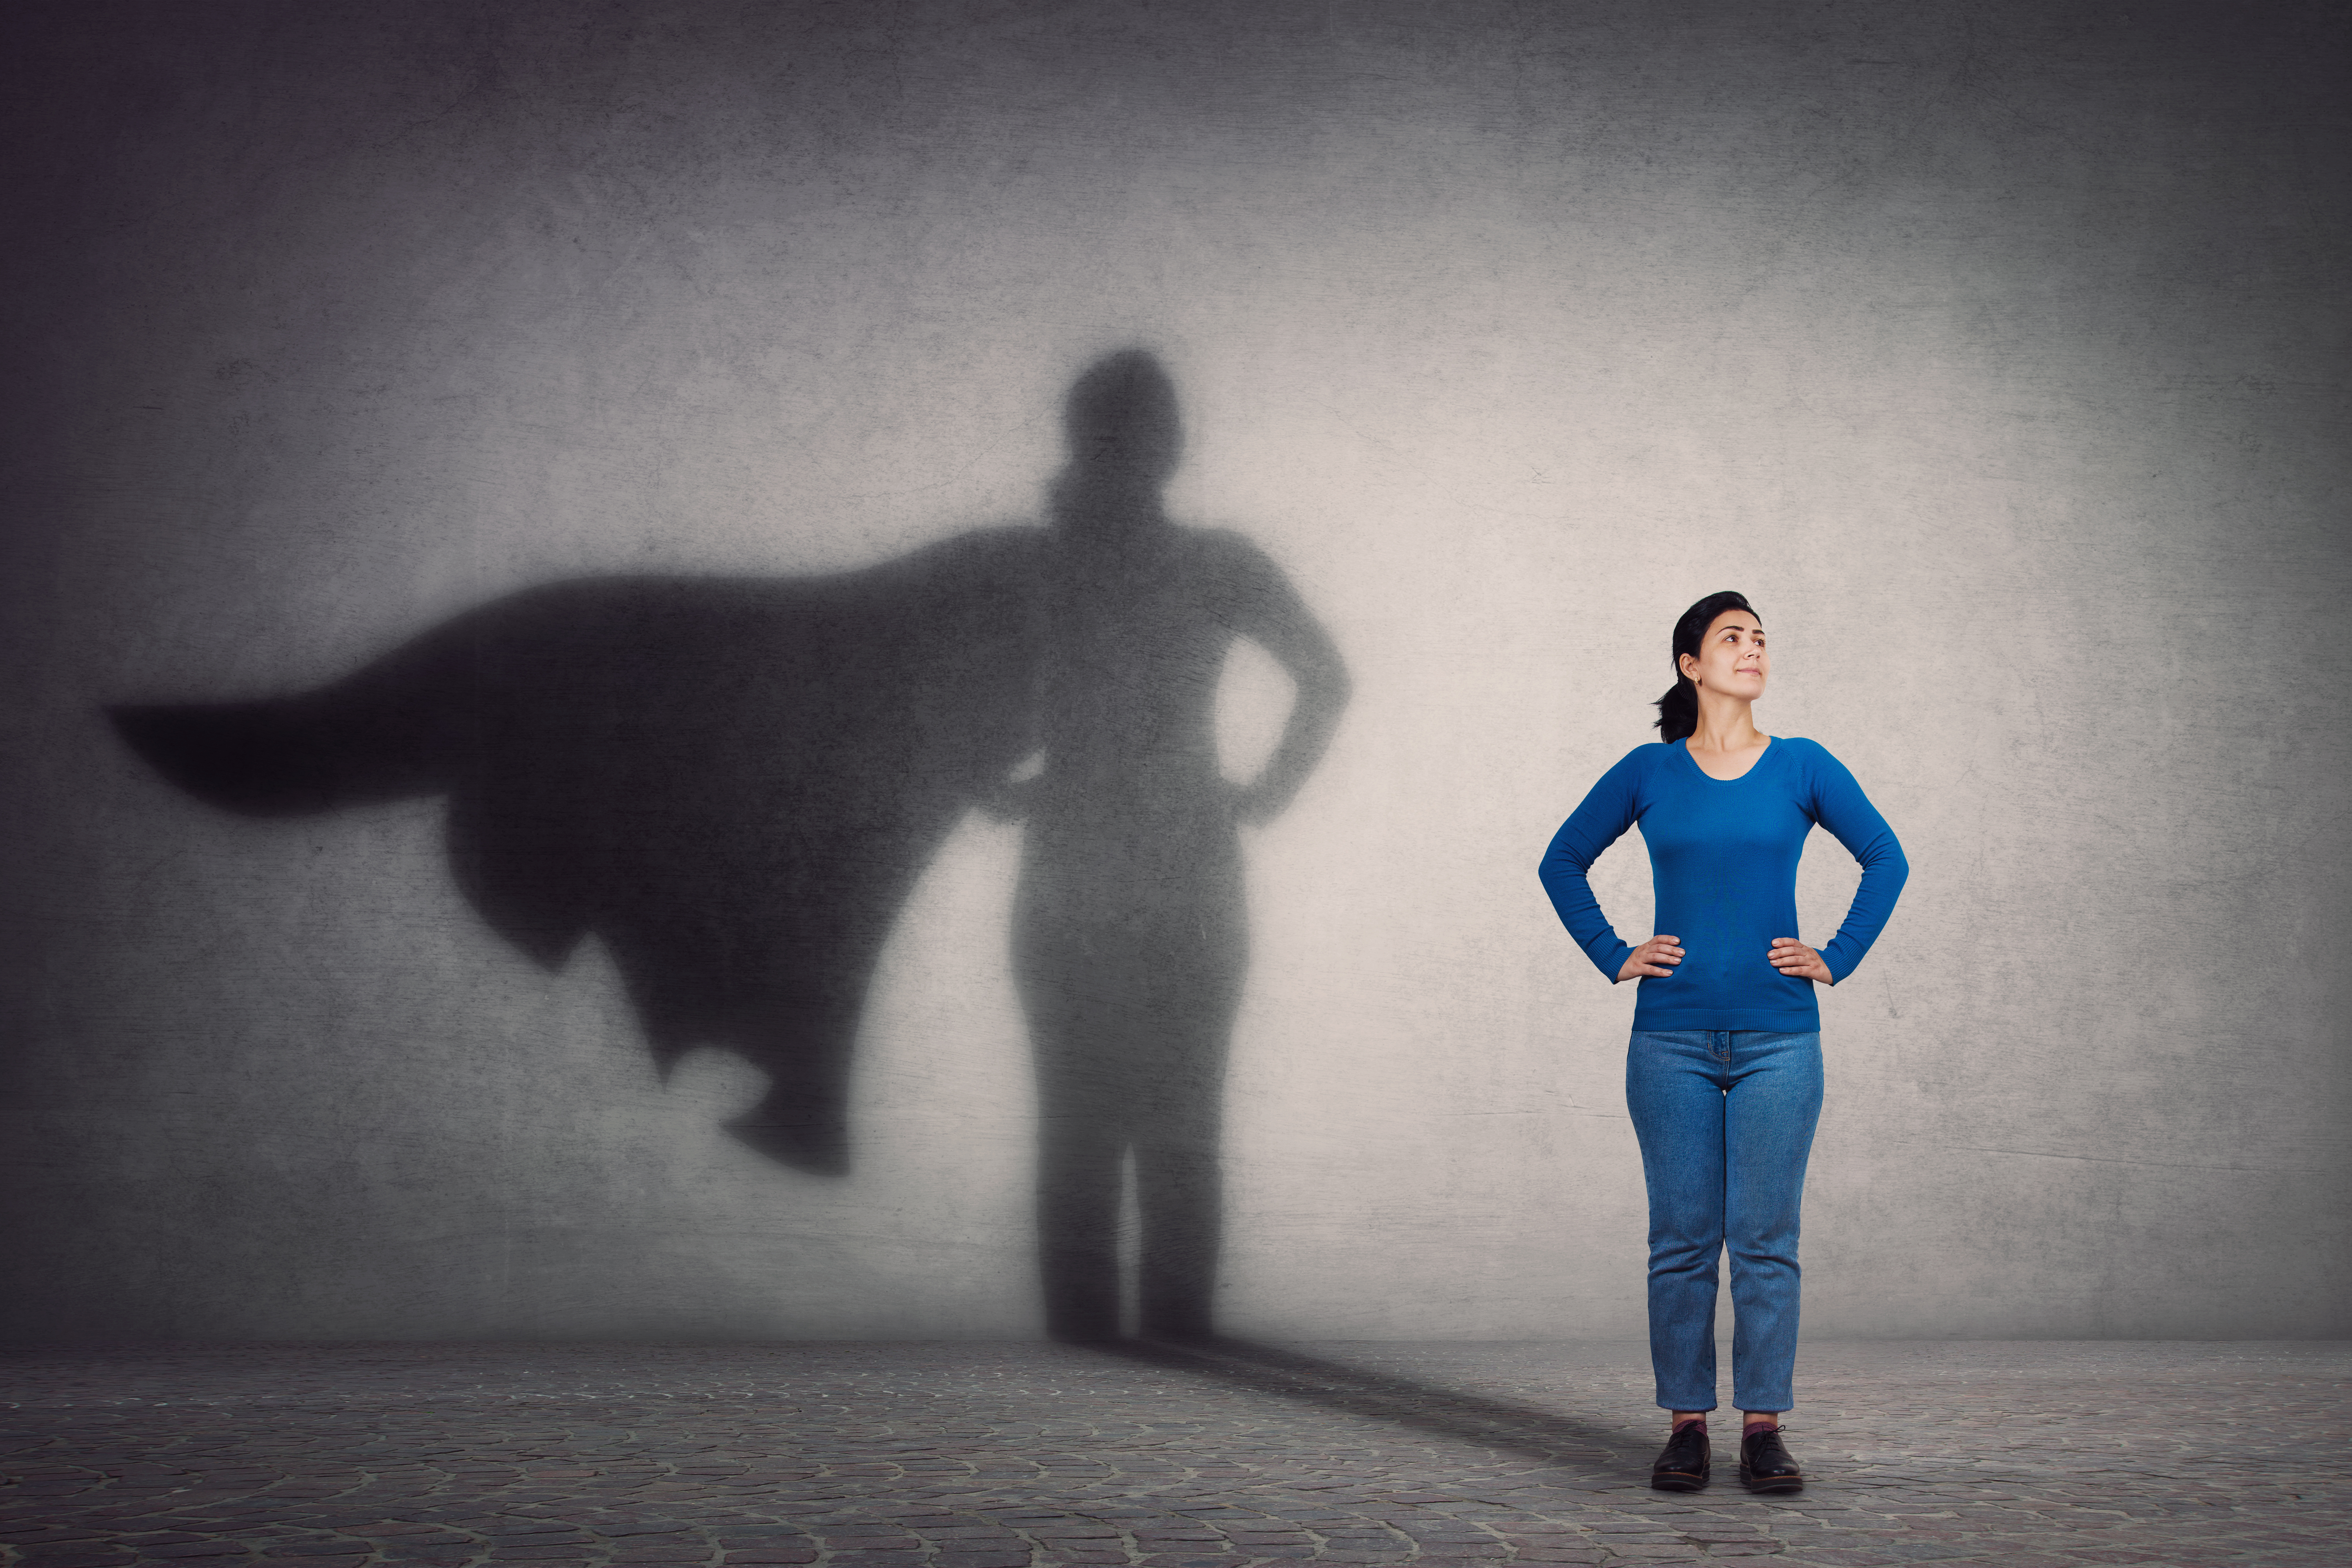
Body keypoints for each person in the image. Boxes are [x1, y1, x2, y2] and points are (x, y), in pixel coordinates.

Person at [989, 350, 1350, 1342]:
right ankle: (1178, 1354)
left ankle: (1088, 1368)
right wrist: (1264, 792)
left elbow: (930, 699)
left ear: (1074, 437)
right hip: (1187, 864)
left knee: (1077, 1125)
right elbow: (1327, 675)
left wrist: (996, 781)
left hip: (1072, 863)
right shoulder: (1215, 564)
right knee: (1180, 1124)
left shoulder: (1036, 565)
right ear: (1171, 446)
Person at [1537, 591, 1907, 1493]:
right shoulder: (1649, 770)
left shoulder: (1803, 765)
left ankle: (1765, 1427)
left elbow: (1887, 856)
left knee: (1767, 1238)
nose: (1753, 650)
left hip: (1782, 1037)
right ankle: (1688, 1424)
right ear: (1690, 665)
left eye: (1761, 639)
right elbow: (1561, 859)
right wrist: (1614, 951)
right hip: (1671, 1040)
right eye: (1732, 638)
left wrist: (1838, 954)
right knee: (1683, 1239)